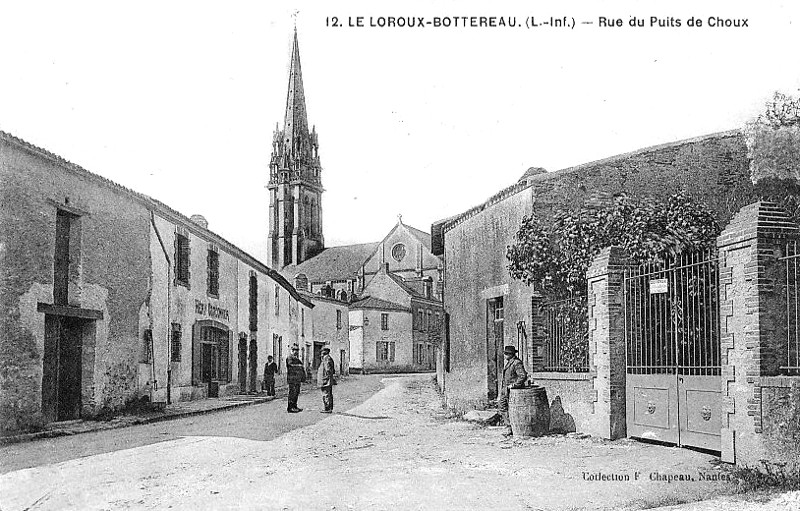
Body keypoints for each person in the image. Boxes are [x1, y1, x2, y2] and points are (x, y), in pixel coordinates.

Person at [499, 345, 528, 436]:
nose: (505, 355)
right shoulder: (509, 363)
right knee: (502, 406)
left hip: (513, 391)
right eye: (505, 353)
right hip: (505, 390)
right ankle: (509, 427)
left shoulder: (516, 363)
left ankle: (511, 428)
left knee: (508, 408)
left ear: (511, 354)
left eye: (507, 354)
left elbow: (522, 376)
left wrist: (514, 385)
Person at [286, 343, 305, 413]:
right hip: (292, 379)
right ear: (292, 350)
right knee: (292, 393)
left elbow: (301, 367)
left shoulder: (297, 359)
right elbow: (291, 366)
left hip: (297, 379)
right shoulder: (289, 358)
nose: (296, 352)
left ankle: (294, 406)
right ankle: (290, 407)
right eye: (295, 350)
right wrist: (299, 366)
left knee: (296, 392)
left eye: (297, 350)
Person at [317, 346, 337, 413]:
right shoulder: (329, 358)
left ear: (324, 352)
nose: (321, 354)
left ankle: (327, 408)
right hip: (328, 379)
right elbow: (332, 370)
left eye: (322, 352)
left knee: (326, 394)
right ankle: (329, 408)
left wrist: (327, 377)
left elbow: (328, 369)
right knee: (328, 393)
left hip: (325, 380)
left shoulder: (326, 358)